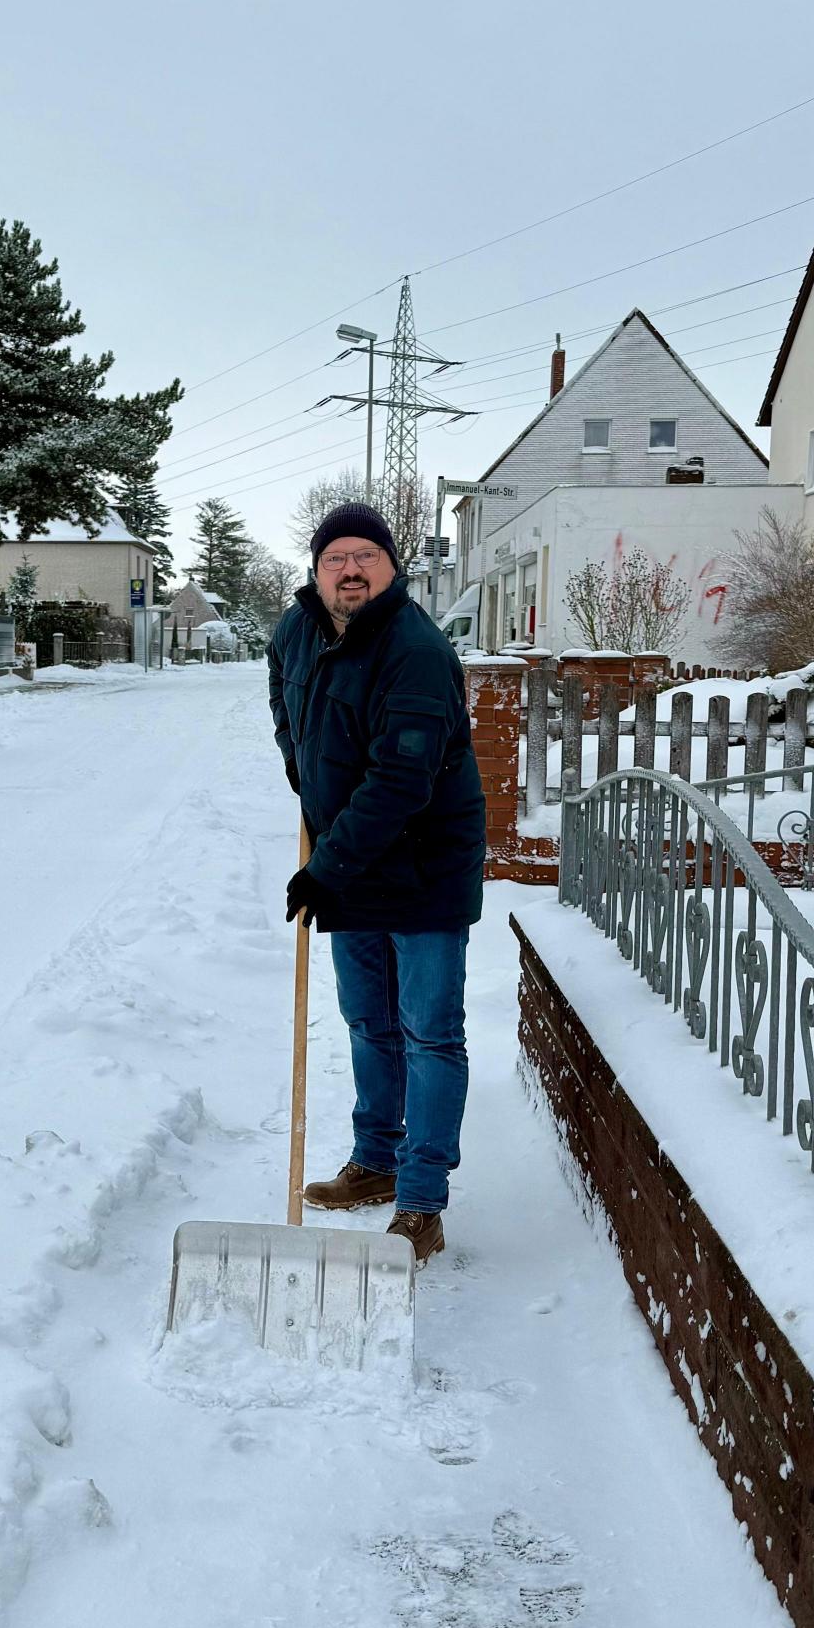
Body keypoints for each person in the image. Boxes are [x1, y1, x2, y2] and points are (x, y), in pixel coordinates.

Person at [265, 502, 485, 1264]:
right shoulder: (297, 628)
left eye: (366, 556)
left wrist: (325, 865)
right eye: (336, 558)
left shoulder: (415, 649)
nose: (350, 570)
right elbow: (282, 700)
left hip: (422, 868)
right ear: (318, 569)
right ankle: (375, 1162)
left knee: (429, 1033)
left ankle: (421, 1200)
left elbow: (402, 778)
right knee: (368, 1022)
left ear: (390, 567)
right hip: (351, 863)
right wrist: (302, 767)